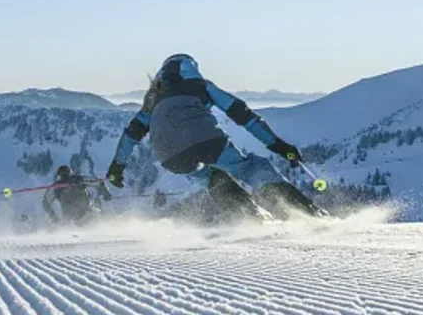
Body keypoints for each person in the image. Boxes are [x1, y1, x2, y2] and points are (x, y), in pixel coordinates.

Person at [104, 54, 325, 217]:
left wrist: (116, 168)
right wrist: (278, 145)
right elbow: (243, 115)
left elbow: (130, 136)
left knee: (212, 178)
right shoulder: (200, 85)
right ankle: (306, 212)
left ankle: (248, 217)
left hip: (170, 157)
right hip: (208, 141)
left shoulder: (152, 102)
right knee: (251, 169)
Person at [42, 164, 112, 224]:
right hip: (81, 214)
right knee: (96, 210)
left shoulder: (56, 187)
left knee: (95, 208)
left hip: (73, 217)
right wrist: (106, 193)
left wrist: (54, 217)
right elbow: (98, 182)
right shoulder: (78, 179)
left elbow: (45, 203)